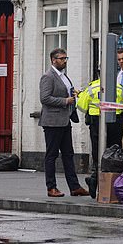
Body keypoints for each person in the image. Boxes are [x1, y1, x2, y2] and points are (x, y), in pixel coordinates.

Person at [38, 48, 89, 197]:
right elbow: (44, 98)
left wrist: (73, 94)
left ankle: (74, 187)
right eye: (62, 58)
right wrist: (65, 100)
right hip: (52, 122)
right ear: (54, 60)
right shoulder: (48, 76)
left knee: (68, 154)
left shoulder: (64, 76)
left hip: (65, 120)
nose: (64, 61)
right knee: (51, 155)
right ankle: (51, 187)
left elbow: (65, 92)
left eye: (66, 58)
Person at [76, 77, 123, 175]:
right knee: (115, 150)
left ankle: (97, 176)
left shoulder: (91, 88)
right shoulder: (119, 88)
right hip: (116, 121)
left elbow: (81, 106)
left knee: (97, 150)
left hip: (97, 122)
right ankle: (114, 176)